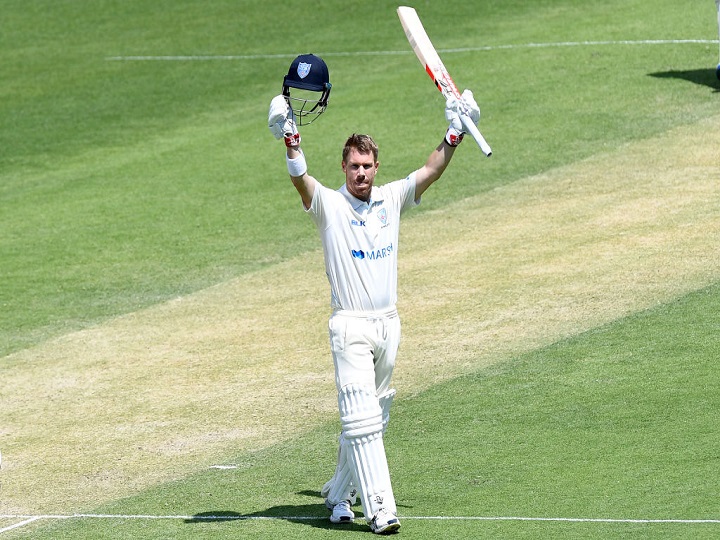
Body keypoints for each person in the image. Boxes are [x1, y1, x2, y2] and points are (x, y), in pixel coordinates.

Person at [268, 86, 480, 535]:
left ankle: (340, 494)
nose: (360, 174)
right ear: (343, 167)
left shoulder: (390, 199)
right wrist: (290, 140)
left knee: (374, 414)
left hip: (389, 323)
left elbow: (430, 170)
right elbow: (300, 179)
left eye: (367, 167)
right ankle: (381, 507)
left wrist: (455, 131)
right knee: (360, 416)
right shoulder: (329, 205)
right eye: (353, 167)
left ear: (375, 167)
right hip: (349, 325)